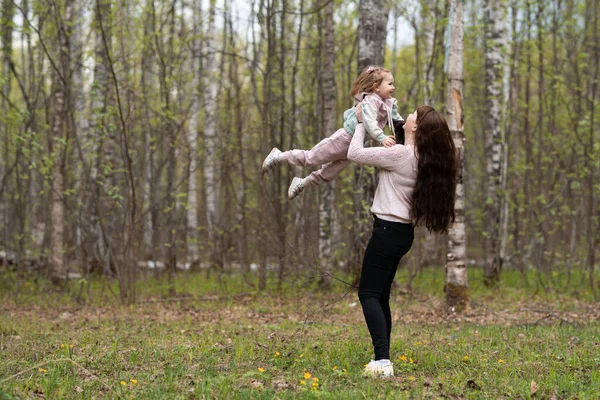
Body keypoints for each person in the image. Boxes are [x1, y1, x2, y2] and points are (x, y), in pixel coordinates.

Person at [347, 105, 457, 377]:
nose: (408, 115)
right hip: (401, 233)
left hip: (386, 231)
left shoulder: (400, 154)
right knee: (380, 295)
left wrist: (361, 122)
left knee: (368, 294)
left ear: (416, 127)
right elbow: (397, 125)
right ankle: (382, 356)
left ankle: (383, 361)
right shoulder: (421, 157)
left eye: (413, 115)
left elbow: (354, 153)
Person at [261, 66, 404, 199]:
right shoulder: (370, 101)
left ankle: (302, 183)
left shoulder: (388, 103)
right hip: (343, 139)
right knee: (310, 157)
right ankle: (278, 156)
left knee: (329, 174)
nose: (394, 87)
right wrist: (382, 137)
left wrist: (406, 128)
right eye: (390, 84)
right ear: (376, 87)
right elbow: (369, 122)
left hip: (354, 146)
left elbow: (396, 119)